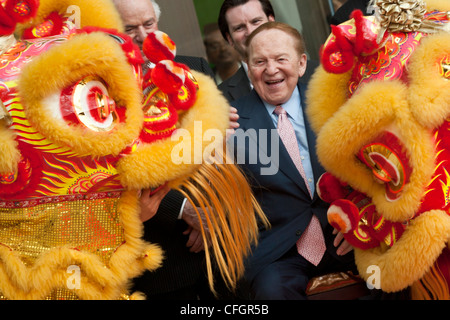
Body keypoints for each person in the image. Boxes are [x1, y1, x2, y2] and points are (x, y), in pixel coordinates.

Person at [228, 21, 356, 299]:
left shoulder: (334, 103)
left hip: (345, 237)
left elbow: (366, 170)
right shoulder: (230, 121)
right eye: (260, 61)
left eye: (280, 59)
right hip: (278, 253)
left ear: (301, 64)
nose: (271, 69)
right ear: (249, 69)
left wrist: (359, 222)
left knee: (394, 274)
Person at [113, 0, 220, 300]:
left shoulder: (194, 68)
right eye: (130, 28)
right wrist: (185, 211)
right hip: (162, 245)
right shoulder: (107, 89)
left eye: (148, 24)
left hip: (218, 238)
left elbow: (217, 148)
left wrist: (208, 213)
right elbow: (124, 165)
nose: (142, 34)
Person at [217, 0, 318, 103]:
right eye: (239, 28)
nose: (250, 32)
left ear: (272, 22)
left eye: (256, 21)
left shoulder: (320, 73)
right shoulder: (218, 99)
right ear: (229, 39)